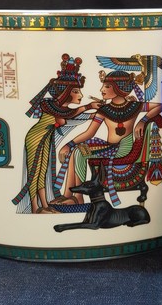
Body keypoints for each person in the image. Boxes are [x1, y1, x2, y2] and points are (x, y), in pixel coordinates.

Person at [54, 70, 162, 206]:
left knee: (79, 153)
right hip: (109, 147)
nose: (102, 90)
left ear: (118, 88)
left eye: (107, 86)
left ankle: (78, 197)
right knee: (75, 150)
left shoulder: (135, 106)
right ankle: (68, 195)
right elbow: (89, 133)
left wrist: (143, 120)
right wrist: (68, 145)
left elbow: (160, 106)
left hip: (124, 148)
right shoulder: (103, 110)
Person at [11, 54, 101, 213]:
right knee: (35, 173)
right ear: (66, 92)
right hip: (36, 138)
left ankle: (45, 205)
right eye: (76, 91)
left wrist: (92, 114)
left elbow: (70, 115)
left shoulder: (62, 109)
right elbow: (67, 114)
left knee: (43, 172)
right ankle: (35, 207)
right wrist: (88, 107)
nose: (80, 95)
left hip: (45, 138)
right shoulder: (49, 104)